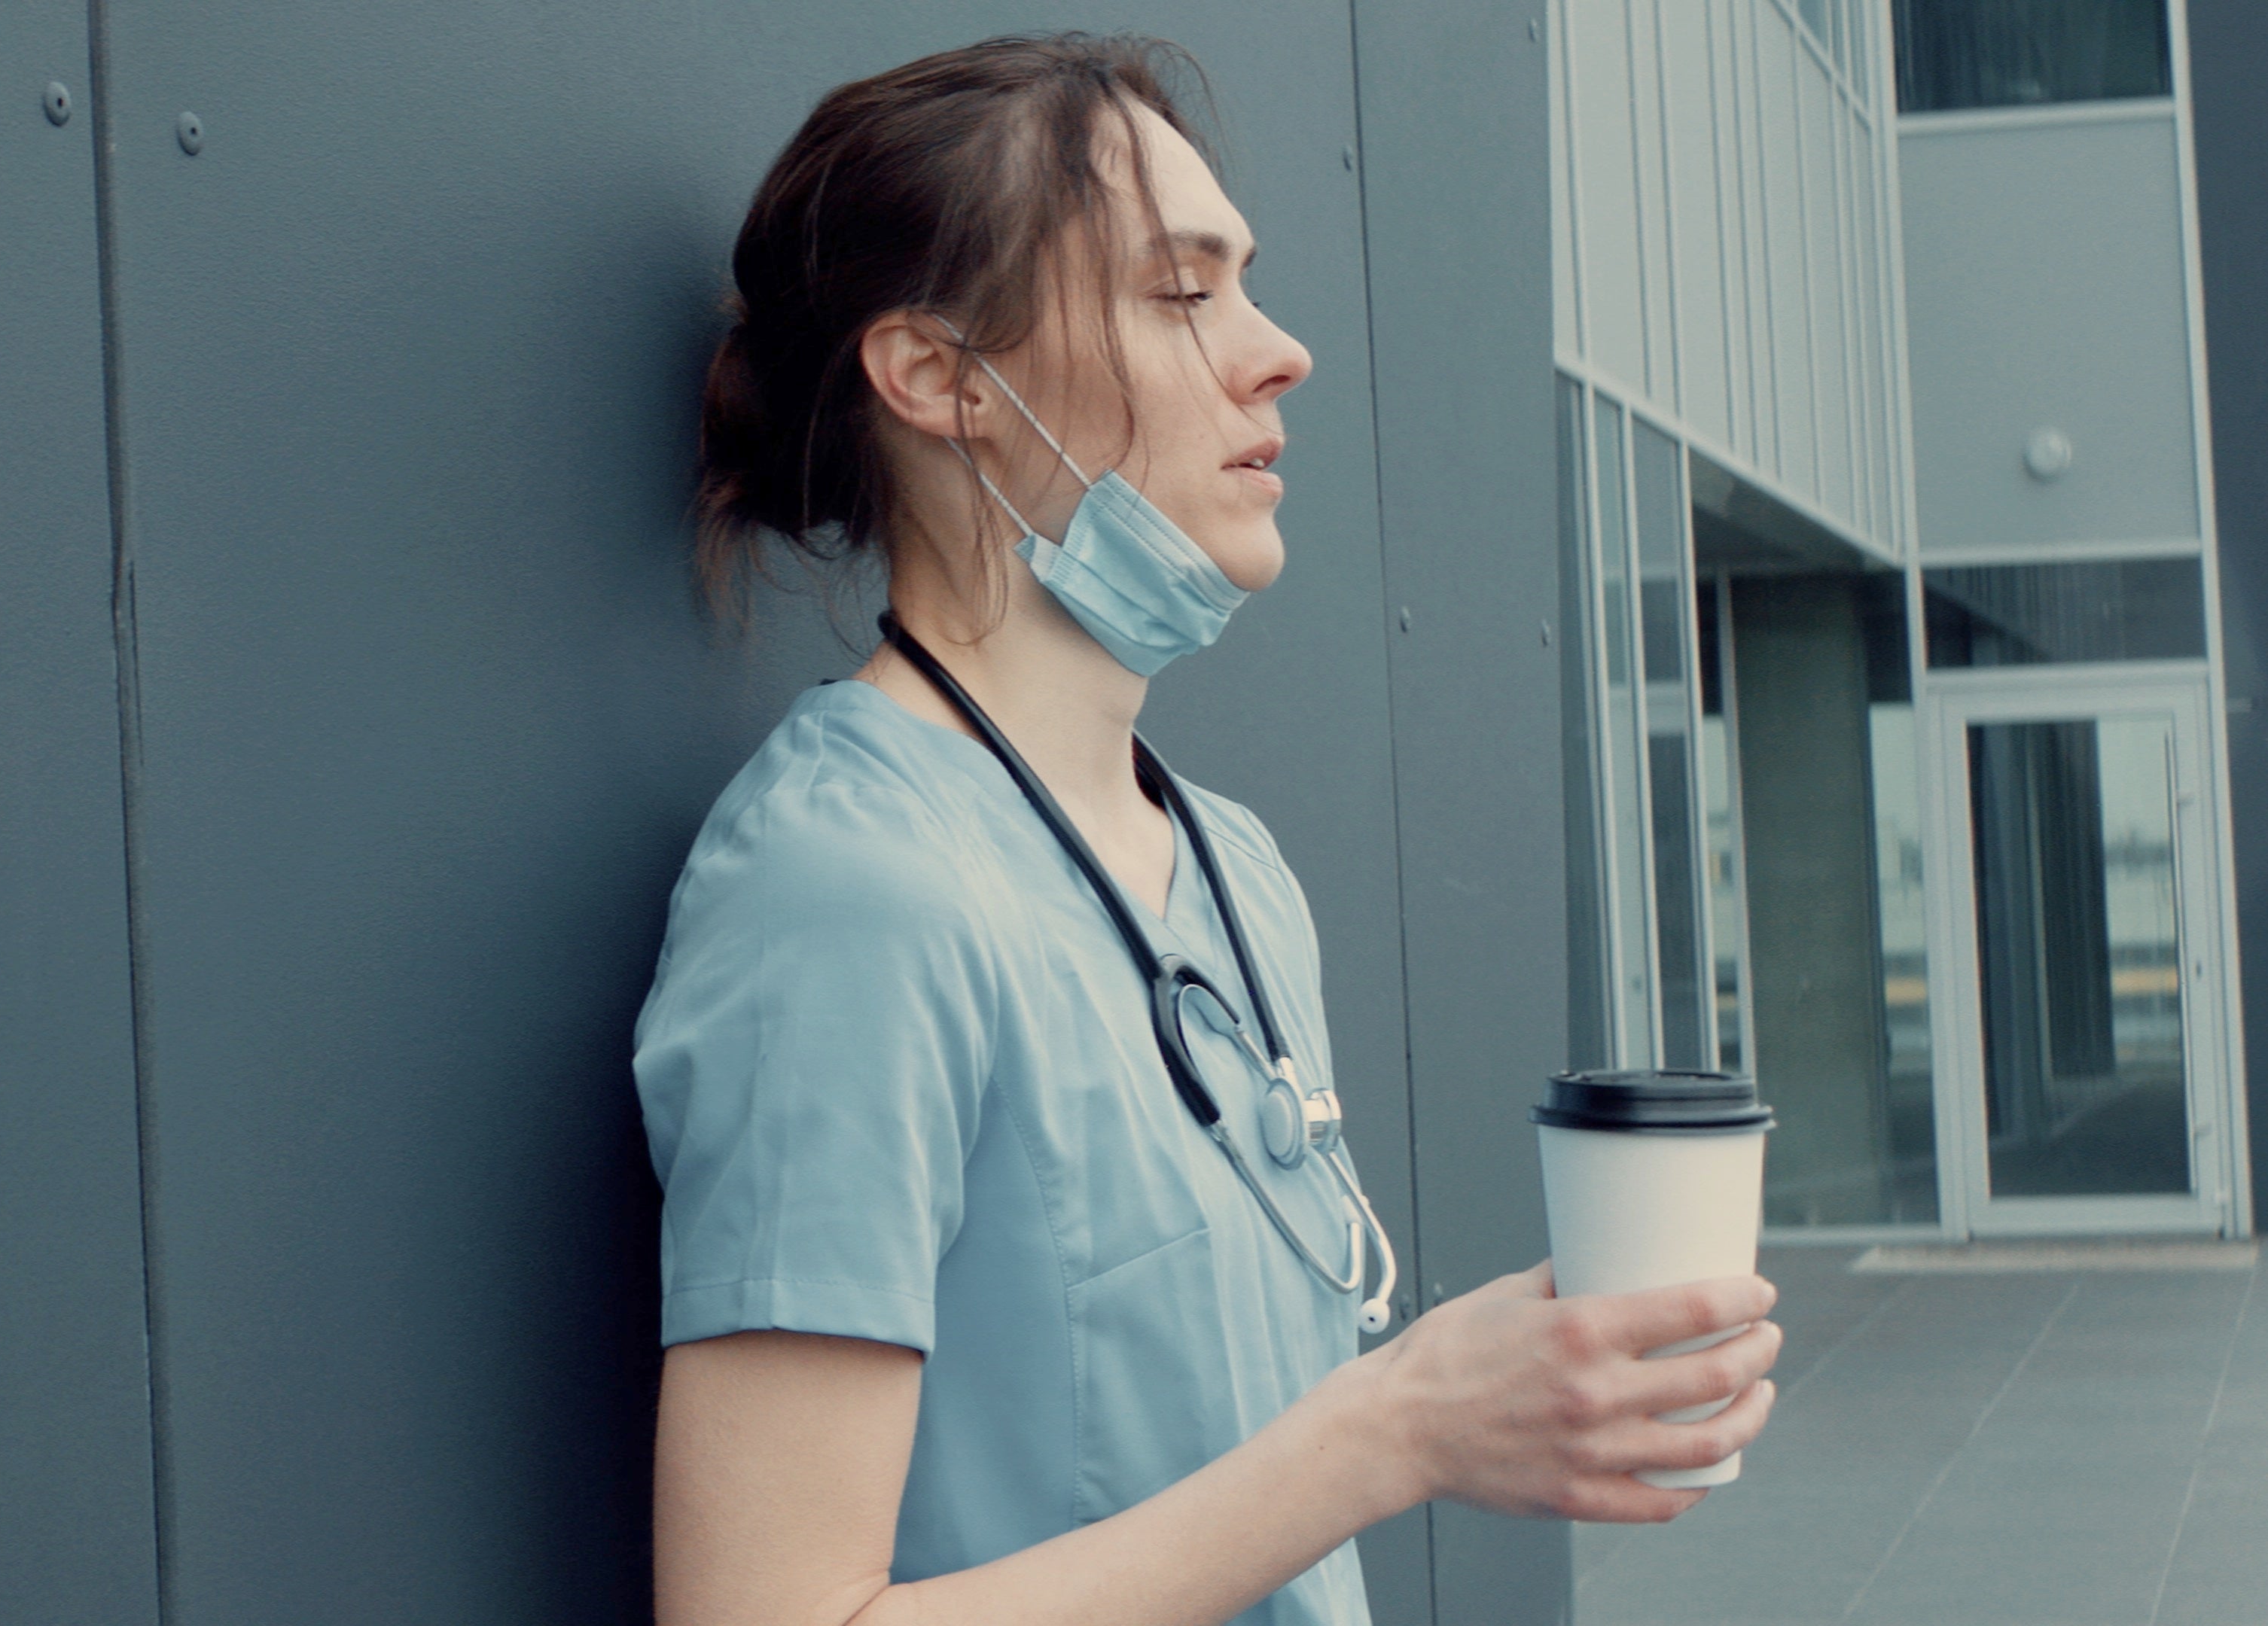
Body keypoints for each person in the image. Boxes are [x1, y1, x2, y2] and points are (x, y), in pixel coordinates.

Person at [635, 34, 1782, 1626]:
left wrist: (1528, 1387)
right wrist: (1395, 1427)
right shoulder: (845, 892)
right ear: (939, 378)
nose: (1279, 351)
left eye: (1246, 283)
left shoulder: (1230, 869)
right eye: (1183, 294)